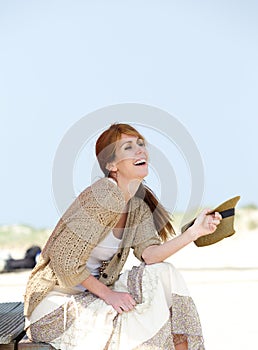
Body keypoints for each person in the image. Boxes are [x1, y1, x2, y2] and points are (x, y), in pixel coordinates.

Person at [24, 123, 222, 350]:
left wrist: (194, 233)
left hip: (91, 296)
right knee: (134, 321)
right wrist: (109, 295)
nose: (140, 150)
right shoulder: (106, 194)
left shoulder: (137, 205)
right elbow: (64, 259)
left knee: (163, 273)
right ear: (111, 165)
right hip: (54, 305)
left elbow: (150, 255)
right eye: (128, 147)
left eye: (141, 144)